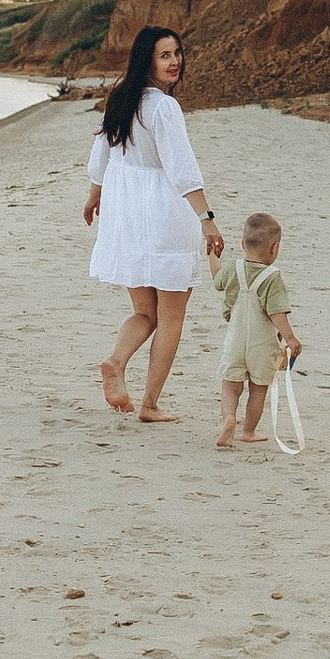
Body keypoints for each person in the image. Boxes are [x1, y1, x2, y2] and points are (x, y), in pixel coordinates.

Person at [84, 26, 224, 423]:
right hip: (162, 215)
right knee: (172, 317)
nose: (175, 61)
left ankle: (116, 361)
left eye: (177, 53)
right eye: (165, 55)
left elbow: (102, 153)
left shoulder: (121, 100)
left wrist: (95, 195)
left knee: (146, 312)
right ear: (147, 59)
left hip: (126, 215)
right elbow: (181, 169)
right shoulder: (163, 108)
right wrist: (207, 219)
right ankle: (149, 404)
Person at [212, 212, 302, 448]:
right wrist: (290, 337)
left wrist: (213, 255)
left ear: (242, 244)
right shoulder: (273, 277)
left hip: (235, 340)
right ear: (274, 248)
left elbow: (217, 280)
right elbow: (276, 312)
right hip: (263, 344)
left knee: (231, 386)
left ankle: (229, 418)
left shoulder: (233, 268)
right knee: (258, 388)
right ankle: (248, 431)